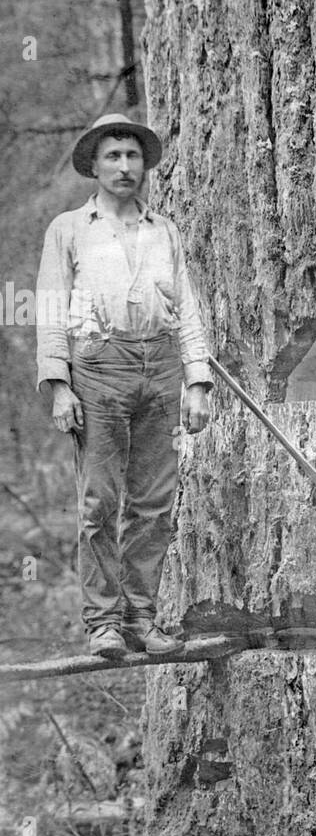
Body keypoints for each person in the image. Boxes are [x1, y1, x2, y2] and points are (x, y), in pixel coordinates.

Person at [36, 113, 212, 658]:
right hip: (97, 369)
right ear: (94, 164)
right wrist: (59, 385)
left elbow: (186, 306)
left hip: (159, 371)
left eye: (132, 156)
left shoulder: (164, 231)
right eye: (112, 156)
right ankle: (102, 623)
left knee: (154, 503)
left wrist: (197, 380)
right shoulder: (69, 229)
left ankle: (140, 616)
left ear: (144, 165)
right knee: (99, 502)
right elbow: (49, 309)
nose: (124, 166)